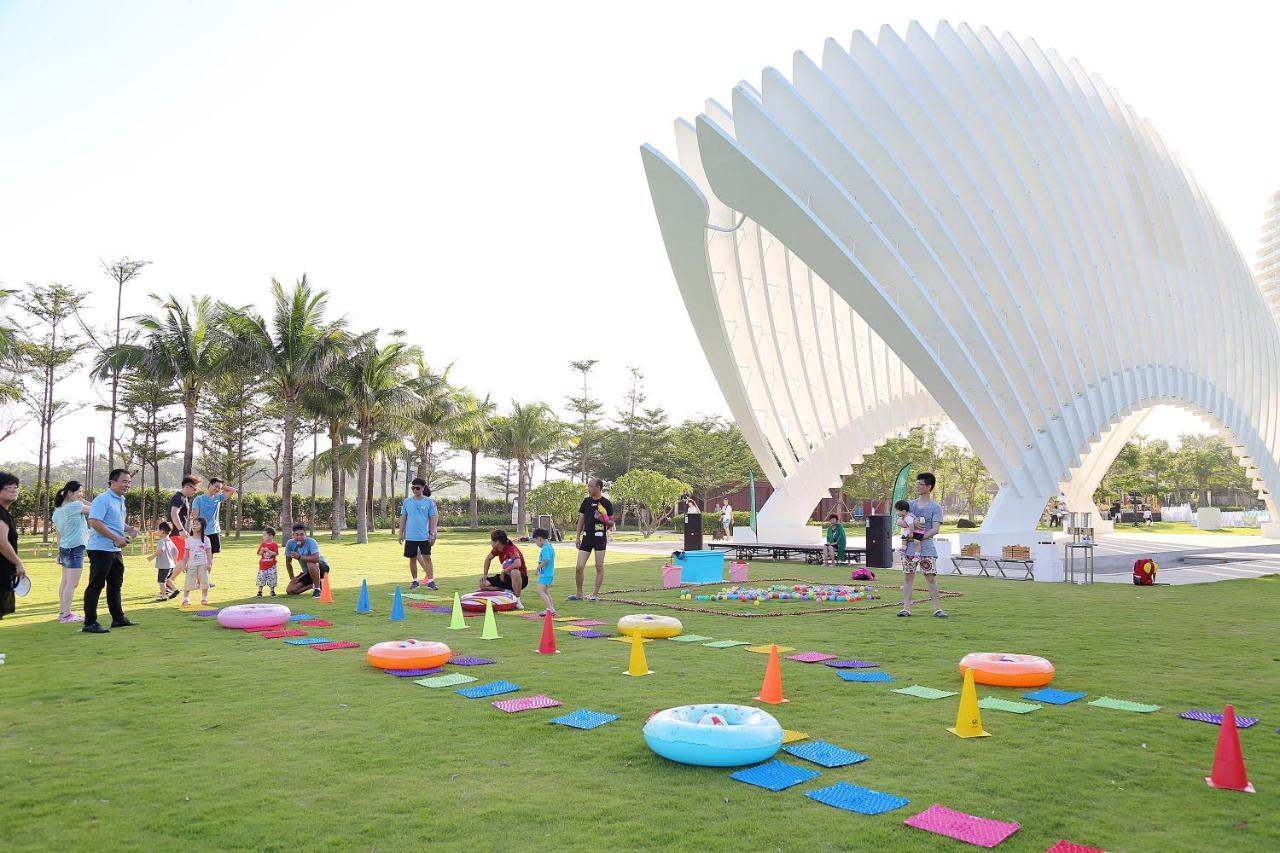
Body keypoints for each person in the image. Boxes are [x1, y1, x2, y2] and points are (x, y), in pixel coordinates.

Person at [83, 468, 141, 633]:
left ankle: (118, 618)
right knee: (96, 585)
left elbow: (114, 521)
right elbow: (95, 521)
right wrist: (115, 538)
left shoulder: (120, 499)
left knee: (115, 585)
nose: (127, 485)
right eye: (124, 481)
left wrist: (128, 528)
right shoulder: (103, 499)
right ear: (112, 482)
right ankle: (90, 623)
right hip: (100, 549)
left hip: (114, 549)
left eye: (129, 482)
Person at [899, 472, 946, 618]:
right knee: (908, 577)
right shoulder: (910, 505)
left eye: (921, 484)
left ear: (929, 486)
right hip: (909, 548)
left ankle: (937, 609)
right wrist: (910, 530)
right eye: (917, 483)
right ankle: (906, 608)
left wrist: (918, 537)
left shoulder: (935, 507)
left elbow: (935, 529)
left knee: (930, 577)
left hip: (927, 547)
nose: (917, 486)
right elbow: (899, 521)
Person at [51, 480, 91, 623]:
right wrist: (82, 500)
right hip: (75, 548)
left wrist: (59, 553)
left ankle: (63, 612)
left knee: (65, 582)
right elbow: (96, 509)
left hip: (65, 548)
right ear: (69, 493)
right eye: (79, 491)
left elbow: (59, 534)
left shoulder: (57, 511)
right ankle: (66, 616)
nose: (81, 494)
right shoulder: (75, 506)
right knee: (72, 584)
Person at [568, 478, 613, 602]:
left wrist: (601, 518)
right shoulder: (586, 502)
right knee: (579, 567)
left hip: (600, 539)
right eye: (588, 486)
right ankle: (579, 594)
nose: (588, 488)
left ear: (598, 487)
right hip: (586, 538)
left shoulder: (606, 503)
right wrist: (577, 536)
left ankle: (595, 595)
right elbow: (581, 520)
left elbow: (611, 523)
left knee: (599, 566)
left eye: (591, 486)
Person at [398, 478, 439, 590]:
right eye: (413, 488)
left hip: (424, 536)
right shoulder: (407, 502)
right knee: (412, 558)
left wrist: (432, 533)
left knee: (427, 558)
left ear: (423, 488)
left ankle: (431, 581)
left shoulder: (429, 502)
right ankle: (415, 581)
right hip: (411, 536)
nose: (415, 490)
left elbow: (432, 518)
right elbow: (403, 517)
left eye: (418, 488)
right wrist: (400, 533)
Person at [191, 477, 236, 563]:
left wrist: (221, 486)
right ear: (210, 485)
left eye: (219, 488)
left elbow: (232, 490)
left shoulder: (218, 498)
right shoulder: (198, 499)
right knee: (198, 558)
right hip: (201, 533)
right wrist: (196, 532)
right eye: (215, 486)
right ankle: (198, 576)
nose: (217, 489)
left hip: (214, 532)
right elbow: (195, 517)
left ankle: (206, 576)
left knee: (209, 559)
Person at [167, 475, 200, 587]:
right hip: (176, 533)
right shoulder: (179, 497)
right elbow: (173, 514)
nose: (194, 492)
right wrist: (181, 530)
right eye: (194, 489)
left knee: (184, 559)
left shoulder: (183, 498)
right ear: (187, 486)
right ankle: (169, 583)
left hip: (180, 533)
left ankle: (170, 582)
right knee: (184, 559)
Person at [0, 472, 25, 622]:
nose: (14, 490)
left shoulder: (6, 514)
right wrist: (18, 563)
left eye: (16, 487)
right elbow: (2, 543)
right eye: (9, 487)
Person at [480, 529, 525, 606]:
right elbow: (488, 559)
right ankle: (507, 591)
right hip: (506, 577)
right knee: (483, 584)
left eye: (492, 540)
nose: (491, 542)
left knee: (514, 572)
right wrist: (485, 575)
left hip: (520, 577)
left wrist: (504, 571)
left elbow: (518, 563)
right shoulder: (497, 549)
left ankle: (517, 600)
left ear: (497, 542)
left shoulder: (511, 549)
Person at [284, 523, 329, 596]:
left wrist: (299, 557)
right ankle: (315, 584)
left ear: (305, 534)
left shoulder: (311, 542)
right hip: (308, 572)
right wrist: (292, 577)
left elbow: (316, 559)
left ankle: (317, 589)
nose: (299, 537)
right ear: (293, 535)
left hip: (321, 567)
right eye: (297, 534)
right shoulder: (290, 543)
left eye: (302, 534)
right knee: (290, 590)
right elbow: (288, 562)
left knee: (310, 562)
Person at [181, 517, 214, 607]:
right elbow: (186, 554)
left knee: (204, 581)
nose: (194, 525)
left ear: (202, 527)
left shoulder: (206, 539)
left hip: (203, 564)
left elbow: (209, 552)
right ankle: (185, 599)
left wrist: (209, 563)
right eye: (193, 523)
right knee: (189, 582)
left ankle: (204, 598)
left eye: (197, 524)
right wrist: (184, 564)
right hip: (191, 565)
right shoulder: (189, 540)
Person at [146, 521, 180, 602]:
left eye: (158, 530)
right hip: (171, 565)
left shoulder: (162, 542)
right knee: (168, 580)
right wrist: (175, 561)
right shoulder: (170, 541)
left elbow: (160, 551)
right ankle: (175, 590)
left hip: (164, 565)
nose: (157, 532)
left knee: (161, 581)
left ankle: (164, 596)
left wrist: (151, 557)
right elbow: (176, 551)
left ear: (161, 531)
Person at [532, 526, 555, 616]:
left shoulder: (545, 548)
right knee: (545, 591)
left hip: (546, 574)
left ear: (540, 539)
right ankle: (551, 608)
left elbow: (546, 560)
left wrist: (538, 568)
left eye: (536, 541)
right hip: (549, 574)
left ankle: (549, 609)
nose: (536, 543)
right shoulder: (549, 547)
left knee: (540, 590)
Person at [257, 527, 279, 597]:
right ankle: (260, 591)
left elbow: (275, 553)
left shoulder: (274, 545)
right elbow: (259, 553)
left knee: (272, 578)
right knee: (261, 578)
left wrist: (268, 550)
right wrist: (262, 551)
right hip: (263, 565)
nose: (263, 537)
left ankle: (272, 591)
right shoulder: (262, 544)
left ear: (271, 536)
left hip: (271, 566)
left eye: (264, 535)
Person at [894, 499, 917, 563]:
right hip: (909, 531)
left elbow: (911, 525)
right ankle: (903, 549)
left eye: (898, 511)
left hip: (910, 532)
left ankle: (903, 549)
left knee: (904, 538)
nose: (897, 512)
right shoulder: (906, 516)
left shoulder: (908, 517)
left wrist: (911, 532)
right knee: (904, 538)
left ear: (903, 511)